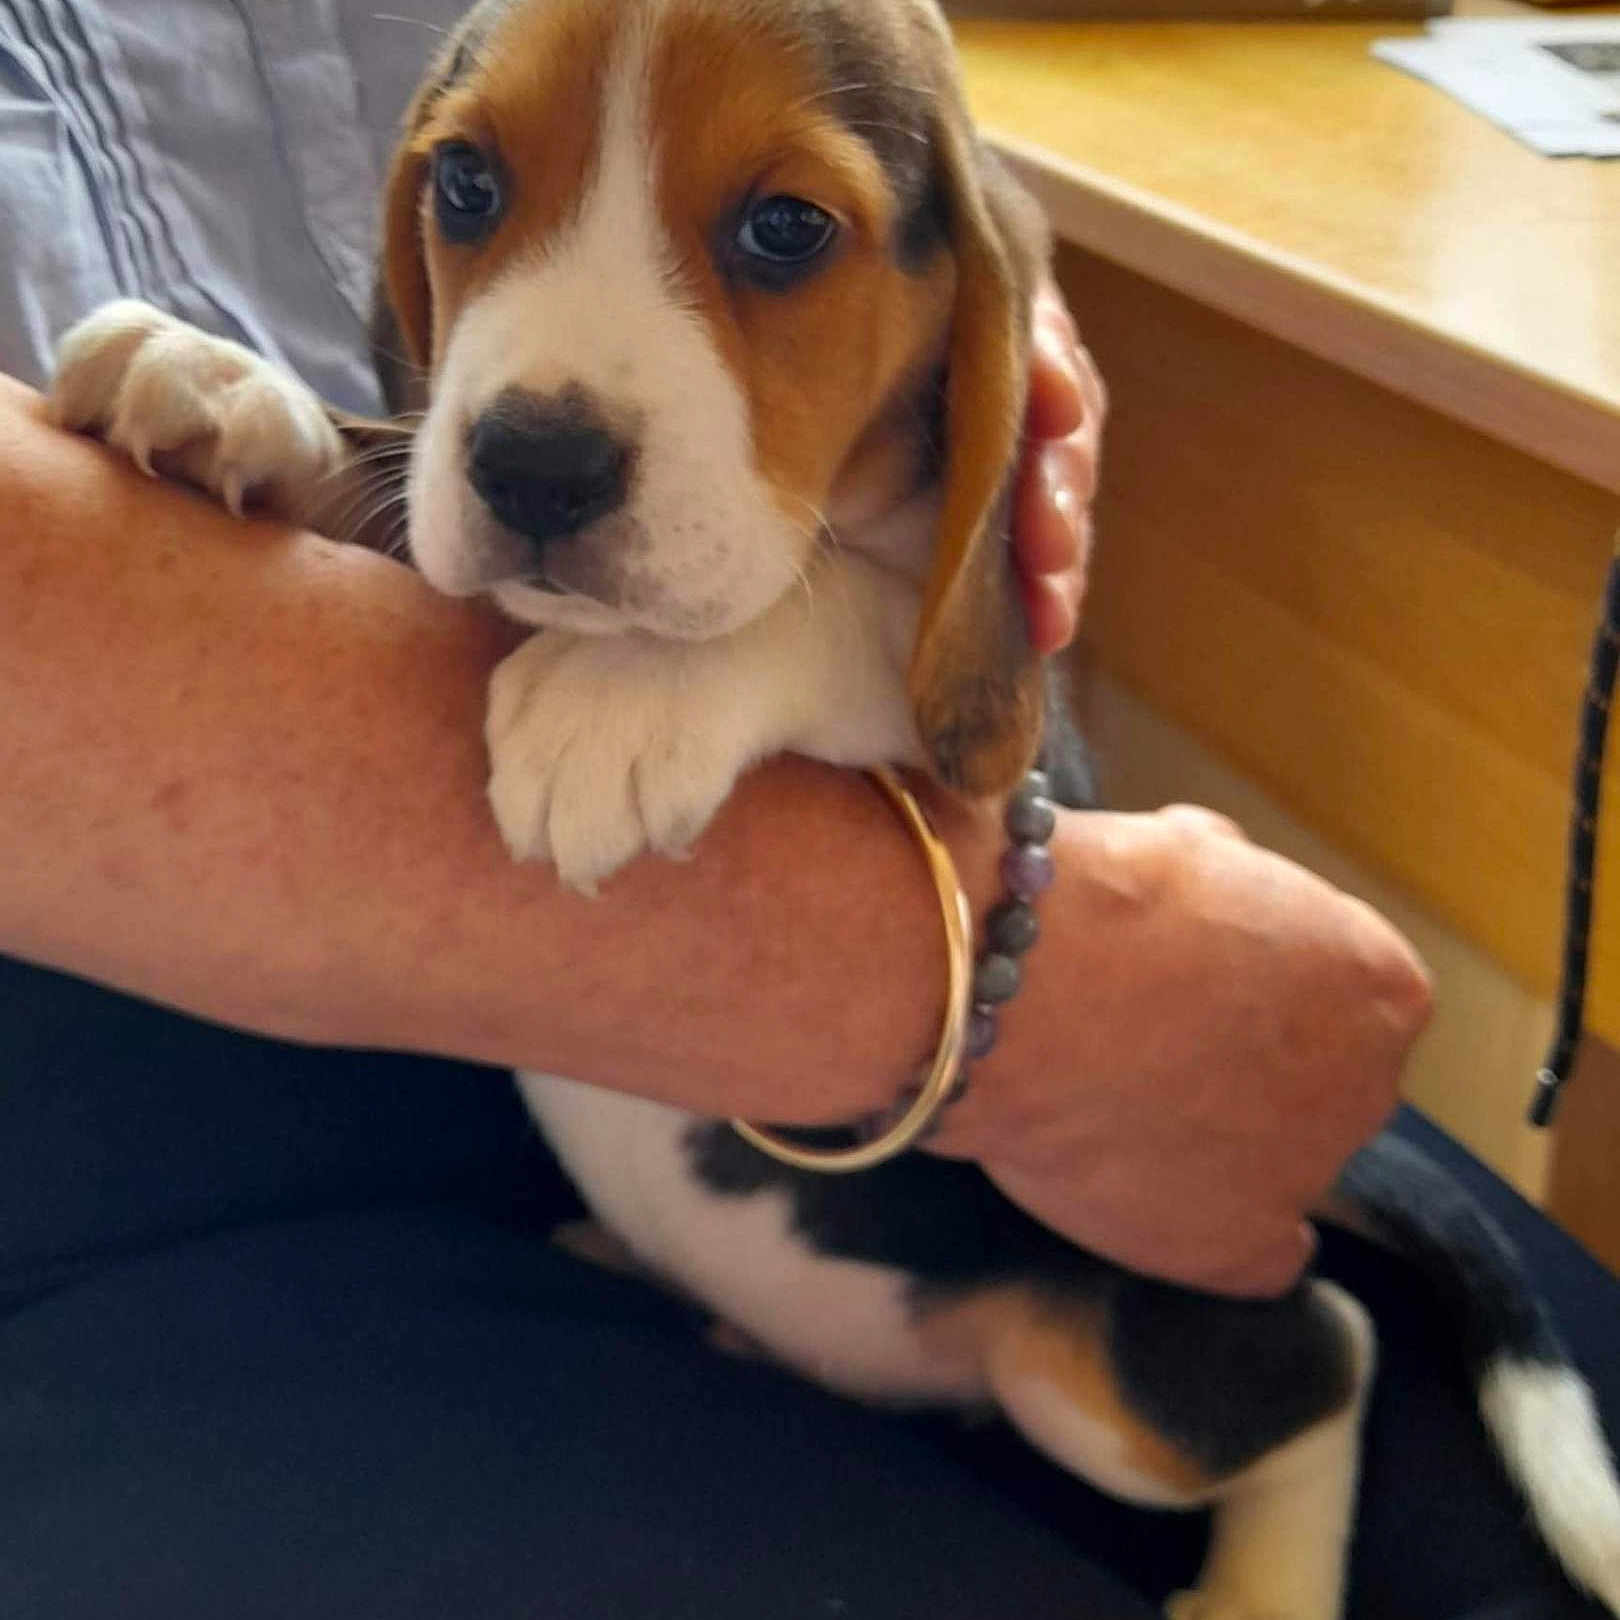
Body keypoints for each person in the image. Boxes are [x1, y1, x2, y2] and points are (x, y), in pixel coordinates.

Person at [8, 6, 1605, 1619]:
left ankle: (1293, 1453)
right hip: (159, 1101)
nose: (546, 396)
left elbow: (965, 716)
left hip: (969, 1223)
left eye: (782, 229)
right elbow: (412, 488)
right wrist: (305, 465)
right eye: (474, 196)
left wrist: (909, 469)